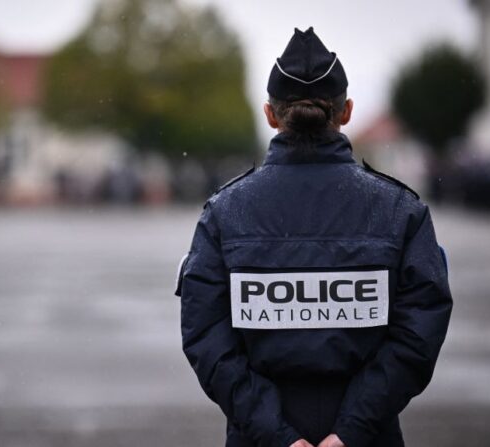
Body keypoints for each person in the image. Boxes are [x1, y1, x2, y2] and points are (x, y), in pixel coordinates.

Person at [175, 27, 452, 447]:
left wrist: (277, 433)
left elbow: (207, 340)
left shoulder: (224, 213)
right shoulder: (400, 211)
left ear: (270, 114)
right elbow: (418, 334)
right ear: (347, 112)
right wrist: (351, 429)